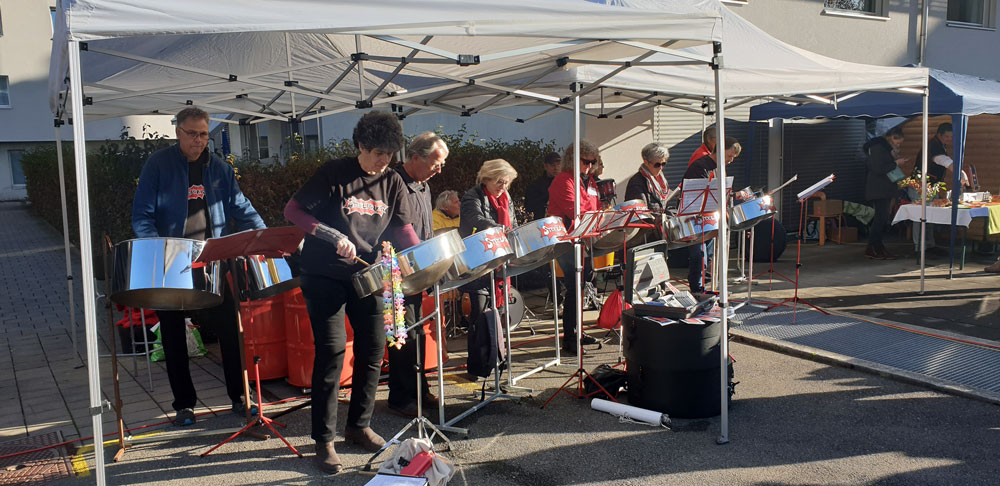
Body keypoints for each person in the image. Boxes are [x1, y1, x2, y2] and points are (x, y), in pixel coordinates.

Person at [283, 111, 418, 475]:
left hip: (367, 274)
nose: (383, 161)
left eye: (389, 154)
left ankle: (358, 426)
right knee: (331, 352)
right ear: (361, 146)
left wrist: (423, 255)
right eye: (377, 153)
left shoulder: (392, 180)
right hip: (323, 273)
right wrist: (332, 235)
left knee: (373, 350)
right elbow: (293, 210)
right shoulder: (333, 173)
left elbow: (403, 228)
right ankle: (323, 440)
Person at [131, 107, 266, 427]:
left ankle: (240, 396)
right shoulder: (158, 165)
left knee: (230, 330)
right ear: (178, 132)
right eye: (192, 134)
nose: (198, 140)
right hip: (171, 263)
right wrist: (159, 249)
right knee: (173, 335)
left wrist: (263, 237)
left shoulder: (220, 169)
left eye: (204, 134)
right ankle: (184, 405)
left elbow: (242, 209)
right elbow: (142, 215)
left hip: (212, 261)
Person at [386, 132, 449, 418]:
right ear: (414, 158)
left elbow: (425, 229)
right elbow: (399, 228)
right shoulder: (394, 182)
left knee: (418, 332)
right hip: (396, 271)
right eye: (435, 163)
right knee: (402, 334)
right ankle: (400, 397)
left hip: (417, 270)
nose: (439, 170)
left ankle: (419, 389)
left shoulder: (424, 186)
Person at [547, 142, 601, 355]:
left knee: (581, 285)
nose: (589, 166)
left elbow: (594, 206)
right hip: (565, 238)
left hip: (581, 237)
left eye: (592, 162)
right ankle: (570, 338)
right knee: (574, 287)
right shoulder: (563, 180)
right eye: (585, 161)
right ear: (573, 159)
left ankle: (577, 331)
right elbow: (574, 210)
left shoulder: (586, 180)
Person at [459, 159, 519, 334]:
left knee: (498, 315)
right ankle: (478, 351)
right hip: (479, 262)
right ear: (487, 178)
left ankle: (495, 349)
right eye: (499, 182)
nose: (503, 187)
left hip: (499, 260)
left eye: (506, 183)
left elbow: (513, 222)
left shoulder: (506, 198)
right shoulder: (472, 196)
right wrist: (500, 228)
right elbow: (476, 219)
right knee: (479, 315)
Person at [683, 136, 741, 294]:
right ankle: (696, 289)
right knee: (698, 255)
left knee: (707, 255)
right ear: (720, 151)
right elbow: (699, 194)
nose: (731, 160)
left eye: (733, 157)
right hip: (694, 217)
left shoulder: (718, 167)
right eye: (729, 156)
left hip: (709, 217)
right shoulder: (700, 166)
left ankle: (702, 287)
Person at [912, 123, 966, 258]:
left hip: (931, 185)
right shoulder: (934, 146)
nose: (950, 139)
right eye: (947, 136)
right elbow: (943, 160)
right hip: (921, 185)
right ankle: (919, 248)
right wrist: (961, 174)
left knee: (930, 215)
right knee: (920, 216)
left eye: (952, 137)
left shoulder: (939, 144)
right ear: (939, 135)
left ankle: (929, 245)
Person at [863, 125, 907, 260]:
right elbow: (878, 168)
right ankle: (873, 247)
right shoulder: (878, 148)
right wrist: (896, 163)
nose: (898, 144)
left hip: (883, 189)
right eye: (897, 142)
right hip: (879, 189)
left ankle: (878, 246)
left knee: (882, 218)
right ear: (891, 137)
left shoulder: (883, 148)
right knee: (880, 219)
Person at [625, 142, 672, 212]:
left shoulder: (661, 180)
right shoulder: (636, 183)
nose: (661, 168)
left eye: (663, 164)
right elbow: (641, 213)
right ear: (646, 162)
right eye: (657, 165)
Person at [525, 152, 562, 221]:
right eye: (552, 165)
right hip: (543, 221)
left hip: (562, 221)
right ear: (545, 166)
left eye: (558, 165)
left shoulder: (565, 183)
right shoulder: (536, 185)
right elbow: (529, 206)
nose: (556, 168)